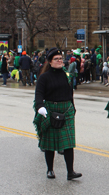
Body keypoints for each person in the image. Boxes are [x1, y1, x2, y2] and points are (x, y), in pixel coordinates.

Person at [33, 48, 82, 180]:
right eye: (56, 59)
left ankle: (70, 172)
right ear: (49, 62)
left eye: (61, 58)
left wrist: (73, 106)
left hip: (66, 110)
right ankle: (50, 170)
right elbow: (38, 94)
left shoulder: (67, 75)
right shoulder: (44, 77)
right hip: (50, 110)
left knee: (68, 143)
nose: (60, 61)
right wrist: (40, 107)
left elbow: (69, 93)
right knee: (50, 143)